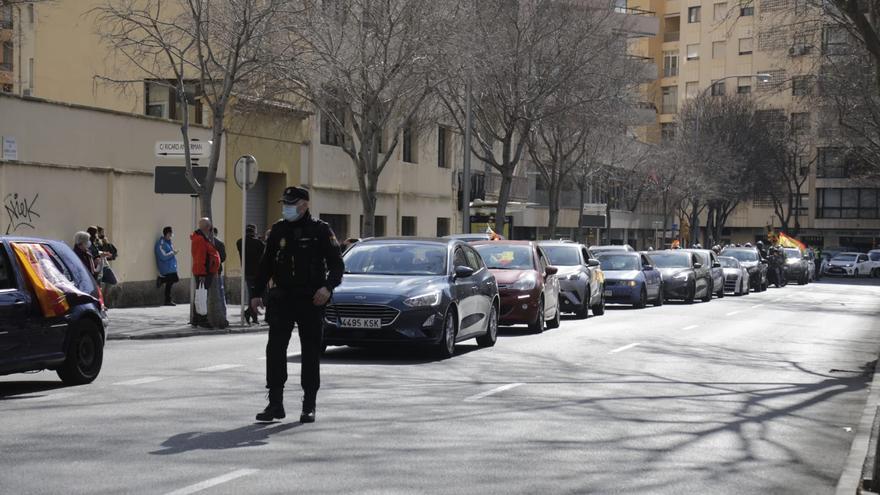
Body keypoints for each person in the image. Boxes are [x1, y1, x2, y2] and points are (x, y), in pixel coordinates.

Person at [250, 186, 344, 424]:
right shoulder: (279, 230)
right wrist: (256, 293)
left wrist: (327, 288)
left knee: (310, 352)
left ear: (305, 205)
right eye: (285, 203)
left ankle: (309, 404)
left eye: (292, 203)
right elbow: (265, 265)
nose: (287, 207)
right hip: (282, 299)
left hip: (311, 299)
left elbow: (337, 265)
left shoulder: (321, 230)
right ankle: (275, 403)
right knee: (275, 350)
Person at [191, 218, 223, 328]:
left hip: (205, 271)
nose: (210, 228)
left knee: (201, 295)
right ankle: (202, 320)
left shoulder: (203, 238)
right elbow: (200, 258)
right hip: (203, 273)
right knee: (202, 296)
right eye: (209, 226)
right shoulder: (200, 239)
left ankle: (196, 319)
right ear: (207, 227)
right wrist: (202, 275)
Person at [237, 224, 266, 324]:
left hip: (246, 272)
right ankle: (250, 314)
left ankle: (251, 315)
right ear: (254, 232)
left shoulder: (240, 242)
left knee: (252, 295)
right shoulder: (258, 243)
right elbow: (263, 251)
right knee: (257, 295)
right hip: (257, 273)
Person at [155, 226, 180, 306]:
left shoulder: (169, 242)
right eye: (170, 234)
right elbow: (163, 256)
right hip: (165, 267)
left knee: (170, 282)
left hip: (171, 267)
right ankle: (161, 280)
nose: (171, 236)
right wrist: (173, 253)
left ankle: (167, 300)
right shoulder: (160, 243)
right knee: (175, 279)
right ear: (167, 234)